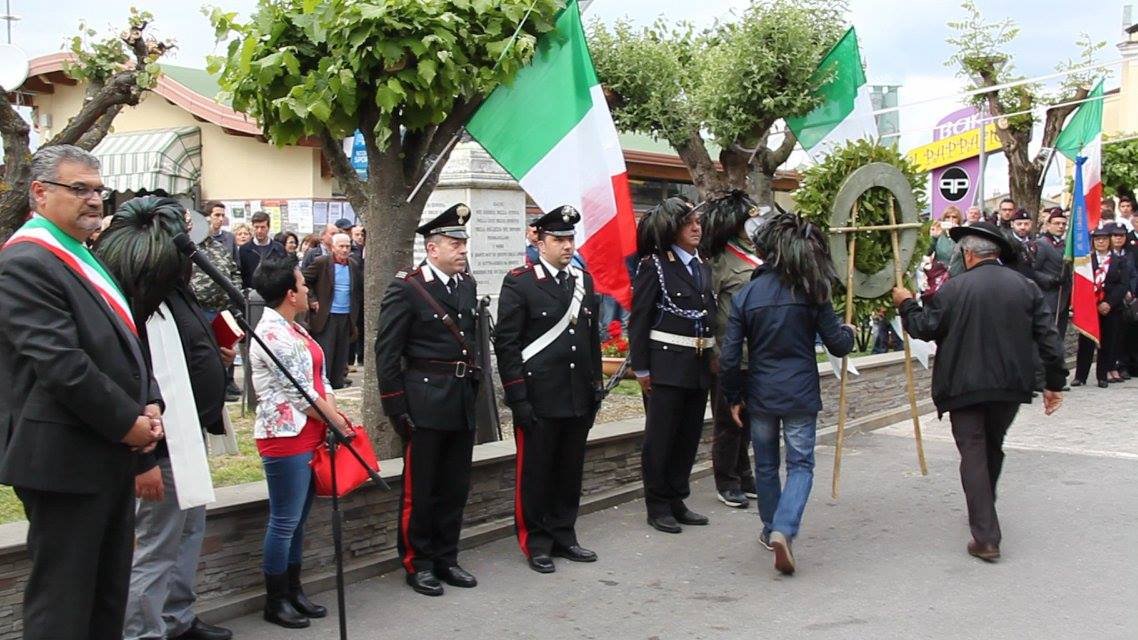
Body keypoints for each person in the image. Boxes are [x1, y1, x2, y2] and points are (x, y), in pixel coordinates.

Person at [0, 144, 164, 638]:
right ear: (39, 192)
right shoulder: (26, 260)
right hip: (64, 458)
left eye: (98, 189)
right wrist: (128, 423)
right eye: (79, 189)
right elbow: (62, 365)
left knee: (106, 598)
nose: (94, 200)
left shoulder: (80, 255)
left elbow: (121, 340)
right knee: (64, 605)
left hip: (104, 451)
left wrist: (149, 398)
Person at [96, 197, 235, 640]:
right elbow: (135, 381)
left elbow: (186, 344)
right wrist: (145, 461)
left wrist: (213, 355)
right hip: (159, 445)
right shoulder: (135, 302)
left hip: (188, 435)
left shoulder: (174, 292)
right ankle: (142, 632)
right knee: (155, 547)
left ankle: (177, 618)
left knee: (188, 532)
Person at [892, 221, 1066, 562]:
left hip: (964, 386)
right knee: (991, 446)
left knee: (973, 452)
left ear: (969, 254)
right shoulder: (1025, 287)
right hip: (1009, 386)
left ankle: (985, 535)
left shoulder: (953, 289)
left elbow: (924, 327)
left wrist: (907, 303)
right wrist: (1054, 383)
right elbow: (1050, 339)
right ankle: (985, 510)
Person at [720, 212, 854, 575]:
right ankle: (784, 527)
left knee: (765, 465)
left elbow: (730, 356)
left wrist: (733, 397)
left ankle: (770, 529)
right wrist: (849, 331)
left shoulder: (747, 294)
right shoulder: (812, 290)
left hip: (761, 393)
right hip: (800, 393)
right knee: (800, 465)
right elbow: (838, 345)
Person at [376, 203, 482, 597]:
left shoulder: (466, 284)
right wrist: (396, 408)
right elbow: (387, 354)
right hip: (424, 400)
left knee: (454, 487)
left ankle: (446, 557)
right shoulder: (407, 287)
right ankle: (418, 562)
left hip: (459, 400)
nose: (462, 249)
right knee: (421, 489)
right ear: (432, 248)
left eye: (463, 242)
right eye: (455, 243)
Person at [495, 205, 603, 574]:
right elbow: (507, 345)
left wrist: (595, 387)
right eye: (559, 239)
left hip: (575, 396)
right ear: (540, 243)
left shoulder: (582, 281)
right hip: (539, 396)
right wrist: (517, 396)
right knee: (536, 473)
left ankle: (564, 534)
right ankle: (537, 541)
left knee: (569, 471)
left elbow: (590, 339)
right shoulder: (520, 282)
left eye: (570, 239)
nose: (567, 246)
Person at [250, 254, 352, 628]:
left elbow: (320, 379)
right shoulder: (272, 334)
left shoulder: (296, 328)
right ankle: (275, 599)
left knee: (299, 520)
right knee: (284, 520)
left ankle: (294, 590)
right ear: (290, 294)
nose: (308, 288)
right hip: (285, 437)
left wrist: (334, 414)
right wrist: (336, 422)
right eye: (302, 283)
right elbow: (299, 394)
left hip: (311, 431)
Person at [629, 197, 716, 534]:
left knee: (687, 437)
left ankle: (677, 497)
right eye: (688, 223)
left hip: (697, 365)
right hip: (666, 366)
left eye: (698, 222)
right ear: (672, 229)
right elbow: (640, 319)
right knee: (661, 439)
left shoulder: (701, 264)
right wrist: (642, 369)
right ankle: (658, 505)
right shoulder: (655, 265)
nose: (696, 228)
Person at [699, 191, 761, 509]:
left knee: (747, 419)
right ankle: (727, 481)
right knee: (728, 421)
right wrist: (712, 353)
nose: (755, 225)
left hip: (756, 354)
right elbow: (708, 309)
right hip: (728, 354)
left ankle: (744, 474)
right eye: (750, 220)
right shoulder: (720, 261)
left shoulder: (759, 255)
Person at [193, 209, 246, 402]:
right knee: (203, 356)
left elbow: (234, 272)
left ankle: (223, 388)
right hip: (198, 310)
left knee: (224, 353)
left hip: (221, 310)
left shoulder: (220, 248)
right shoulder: (189, 247)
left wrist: (235, 291)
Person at [1073, 225, 1131, 388]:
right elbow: (1081, 283)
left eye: (1104, 239)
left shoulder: (1119, 261)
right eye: (1097, 239)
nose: (1101, 242)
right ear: (1093, 242)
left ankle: (1102, 376)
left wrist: (1109, 303)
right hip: (1090, 307)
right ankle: (1080, 376)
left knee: (1107, 342)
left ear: (1109, 241)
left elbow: (1123, 284)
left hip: (1111, 308)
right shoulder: (1086, 261)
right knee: (1086, 342)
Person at [303, 232, 362, 390]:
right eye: (341, 246)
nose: (344, 250)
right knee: (326, 351)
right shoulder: (322, 262)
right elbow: (304, 280)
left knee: (342, 351)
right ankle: (323, 383)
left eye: (347, 246)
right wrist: (312, 299)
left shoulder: (353, 265)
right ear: (333, 247)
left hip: (346, 314)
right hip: (327, 315)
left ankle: (337, 382)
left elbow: (358, 289)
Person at [238, 211, 288, 289]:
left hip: (274, 292)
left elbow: (284, 272)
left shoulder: (279, 248)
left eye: (262, 227)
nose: (259, 231)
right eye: (256, 227)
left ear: (268, 227)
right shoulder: (244, 249)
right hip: (251, 292)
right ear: (252, 227)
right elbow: (241, 274)